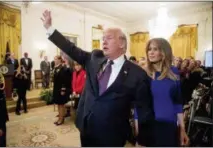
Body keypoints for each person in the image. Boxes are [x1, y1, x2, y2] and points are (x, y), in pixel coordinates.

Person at [41, 10, 154, 147]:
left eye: (109, 38)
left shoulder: (137, 74)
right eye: (103, 38)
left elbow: (144, 111)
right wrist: (49, 28)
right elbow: (71, 48)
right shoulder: (94, 58)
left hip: (112, 135)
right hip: (86, 127)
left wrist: (143, 141)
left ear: (122, 44)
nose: (104, 41)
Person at [135, 38, 189, 146]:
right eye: (149, 49)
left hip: (169, 125)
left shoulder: (174, 72)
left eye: (155, 49)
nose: (151, 52)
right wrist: (137, 129)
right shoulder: (143, 73)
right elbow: (138, 105)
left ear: (164, 52)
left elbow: (177, 103)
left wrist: (182, 128)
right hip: (148, 124)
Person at [53, 56, 72, 125]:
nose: (54, 60)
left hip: (61, 90)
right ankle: (59, 118)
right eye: (54, 59)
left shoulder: (63, 68)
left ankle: (61, 119)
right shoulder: (56, 68)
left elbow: (65, 80)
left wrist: (63, 89)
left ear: (60, 60)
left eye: (55, 59)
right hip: (56, 89)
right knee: (58, 104)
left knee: (61, 104)